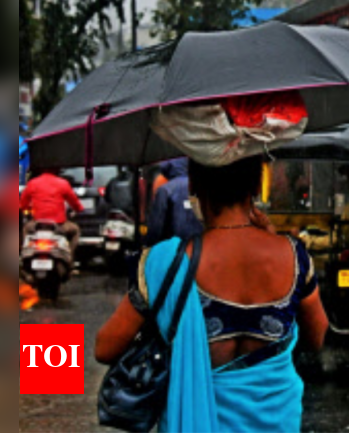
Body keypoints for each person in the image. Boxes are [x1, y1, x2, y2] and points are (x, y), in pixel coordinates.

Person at [95, 156, 329, 433]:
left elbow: (105, 348)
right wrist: (272, 237)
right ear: (257, 185)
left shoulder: (166, 263)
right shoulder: (295, 257)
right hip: (277, 421)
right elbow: (316, 337)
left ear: (193, 185)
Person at [19, 168, 84, 254]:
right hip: (59, 225)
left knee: (25, 229)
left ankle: (24, 253)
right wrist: (78, 209)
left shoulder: (32, 183)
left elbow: (23, 205)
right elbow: (76, 204)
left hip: (37, 224)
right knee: (76, 230)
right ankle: (70, 254)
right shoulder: (63, 183)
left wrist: (28, 209)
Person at [146, 158, 204, 247]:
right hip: (201, 245)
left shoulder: (166, 189)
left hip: (174, 246)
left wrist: (149, 244)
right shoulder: (201, 186)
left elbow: (157, 225)